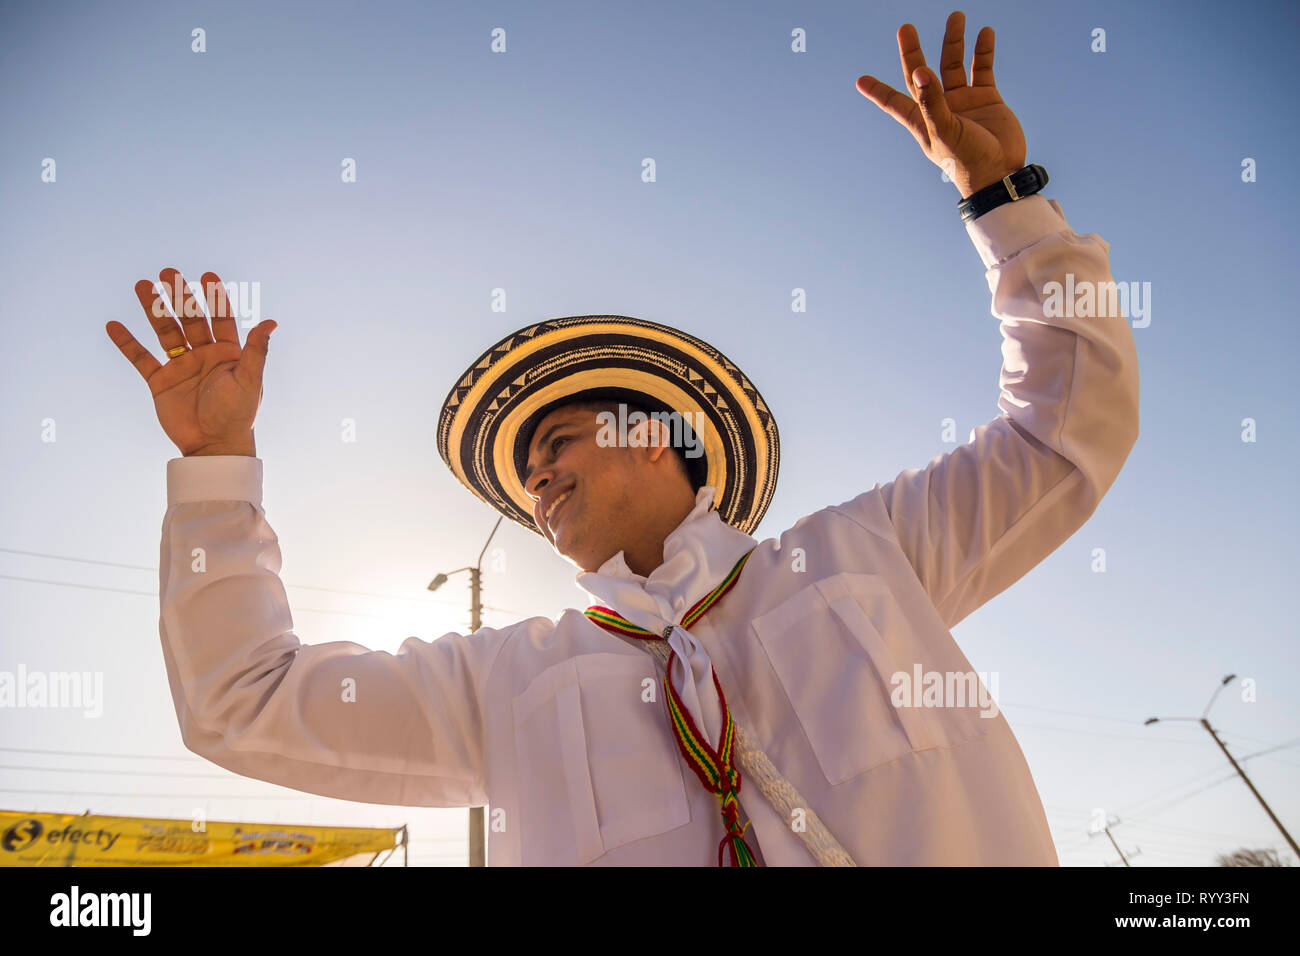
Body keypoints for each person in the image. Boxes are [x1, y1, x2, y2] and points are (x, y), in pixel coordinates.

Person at [105, 10, 1139, 866]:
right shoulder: (502, 684)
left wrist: (1006, 204)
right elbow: (244, 704)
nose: (535, 477)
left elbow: (1067, 430)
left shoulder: (867, 555)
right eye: (522, 472)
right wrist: (214, 466)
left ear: (654, 435)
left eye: (553, 440)